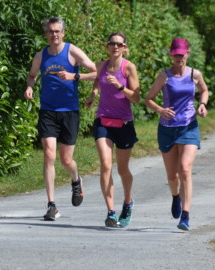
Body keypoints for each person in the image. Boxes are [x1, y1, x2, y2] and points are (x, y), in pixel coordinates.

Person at [24, 17, 97, 221]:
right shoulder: (41, 56)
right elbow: (32, 75)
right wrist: (30, 86)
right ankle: (51, 205)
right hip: (48, 110)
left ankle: (76, 180)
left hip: (69, 111)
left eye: (57, 31)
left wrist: (75, 77)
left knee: (66, 160)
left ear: (63, 33)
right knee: (49, 154)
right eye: (50, 32)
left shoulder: (72, 51)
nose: (54, 35)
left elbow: (96, 72)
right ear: (45, 34)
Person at [144, 38, 209, 231]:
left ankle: (186, 216)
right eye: (175, 54)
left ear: (187, 54)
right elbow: (148, 99)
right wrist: (160, 110)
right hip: (167, 129)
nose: (179, 57)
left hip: (189, 127)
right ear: (171, 55)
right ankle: (175, 196)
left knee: (185, 169)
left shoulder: (194, 74)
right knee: (172, 176)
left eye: (182, 54)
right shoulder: (164, 76)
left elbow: (204, 90)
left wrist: (203, 104)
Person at [84, 32, 140, 227]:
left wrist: (120, 87)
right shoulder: (101, 66)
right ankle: (111, 211)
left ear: (124, 47)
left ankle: (127, 202)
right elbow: (97, 79)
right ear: (107, 47)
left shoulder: (129, 68)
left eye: (119, 44)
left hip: (124, 123)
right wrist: (93, 95)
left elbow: (136, 98)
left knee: (122, 169)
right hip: (103, 121)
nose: (115, 47)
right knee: (106, 165)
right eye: (112, 43)